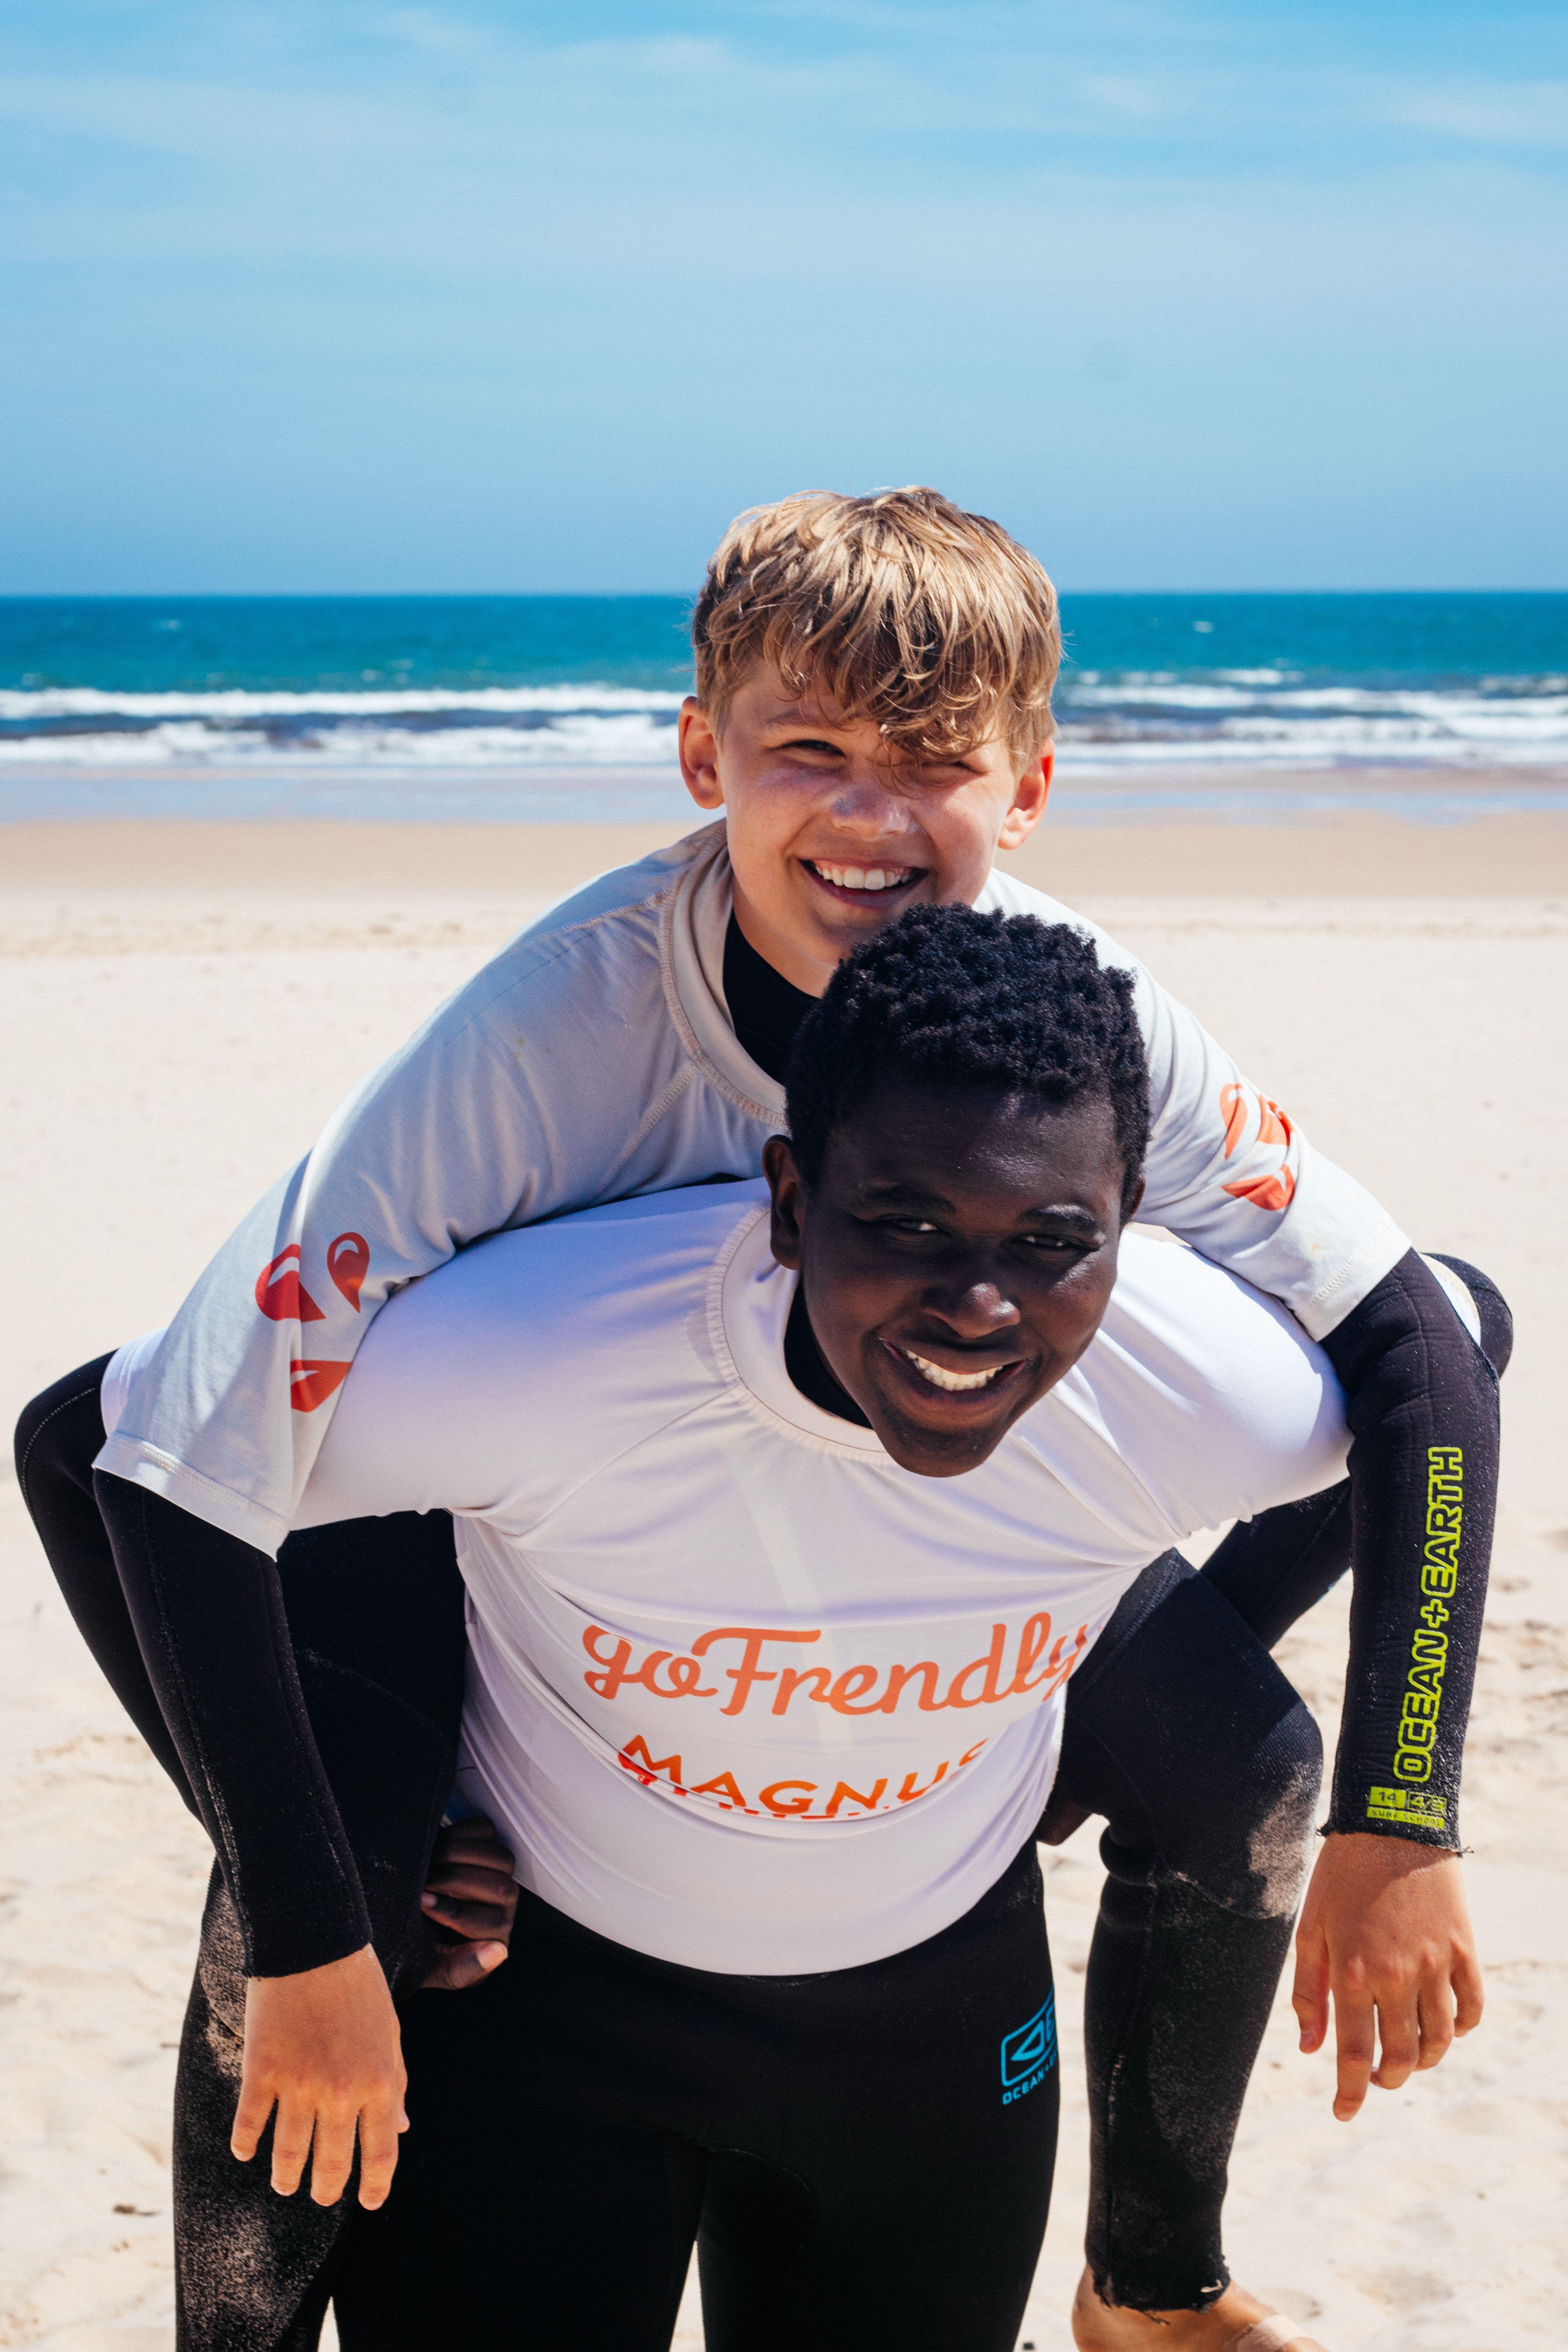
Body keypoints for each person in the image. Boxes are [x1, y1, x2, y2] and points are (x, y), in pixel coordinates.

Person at [13, 492, 1503, 2351]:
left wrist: (1401, 1801)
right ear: (699, 752)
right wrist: (321, 1903)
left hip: (945, 1538)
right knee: (328, 1869)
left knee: (1257, 1781)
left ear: (1029, 785)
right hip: (536, 1521)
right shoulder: (541, 1045)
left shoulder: (1079, 1032)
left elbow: (1427, 1342)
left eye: (935, 762)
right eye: (809, 752)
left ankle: (1153, 2285)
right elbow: (144, 1441)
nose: (872, 818)